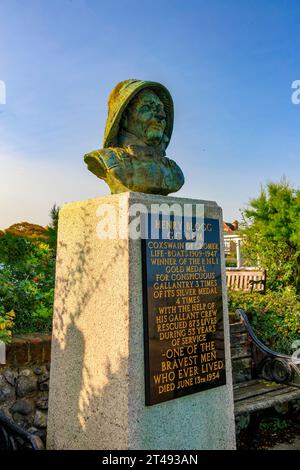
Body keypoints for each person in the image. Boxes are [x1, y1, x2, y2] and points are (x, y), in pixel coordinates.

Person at [84, 79, 184, 195]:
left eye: (161, 110)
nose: (161, 115)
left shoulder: (174, 171)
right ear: (124, 118)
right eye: (147, 108)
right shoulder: (107, 159)